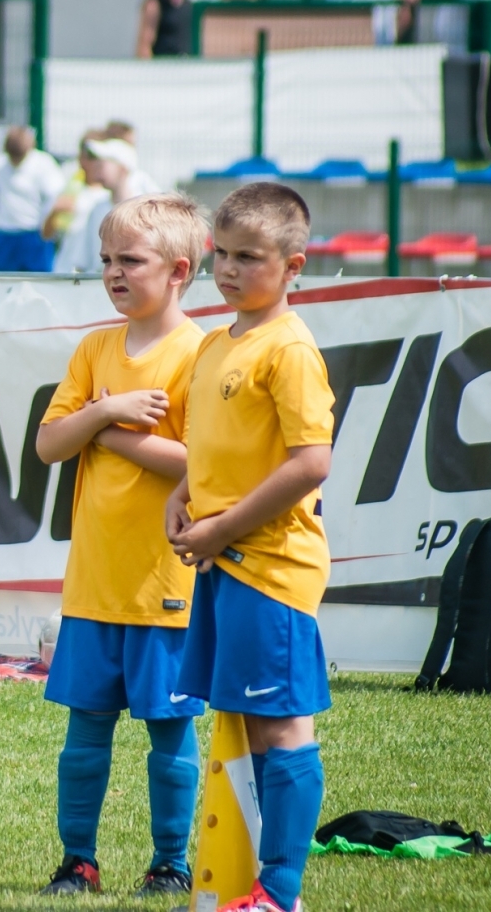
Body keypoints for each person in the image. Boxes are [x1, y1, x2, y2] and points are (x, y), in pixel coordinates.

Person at [33, 192, 209, 898]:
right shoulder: (95, 349)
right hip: (95, 584)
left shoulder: (200, 353)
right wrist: (105, 410)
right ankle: (78, 861)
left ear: (178, 270)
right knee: (85, 735)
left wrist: (107, 434)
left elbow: (206, 463)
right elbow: (50, 444)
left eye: (129, 260)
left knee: (170, 732)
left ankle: (170, 862)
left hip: (165, 581)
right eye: (106, 259)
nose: (113, 271)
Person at [167, 183, 334, 912]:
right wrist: (184, 495)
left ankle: (281, 891)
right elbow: (207, 447)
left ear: (293, 265)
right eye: (221, 256)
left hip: (270, 566)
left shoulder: (291, 349)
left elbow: (310, 463)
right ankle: (261, 883)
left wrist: (223, 527)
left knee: (280, 722)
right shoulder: (214, 342)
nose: (230, 271)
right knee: (249, 720)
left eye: (250, 258)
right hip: (224, 561)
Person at [0, 126, 64, 271]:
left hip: (35, 237)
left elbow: (56, 201)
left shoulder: (44, 164)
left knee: (40, 288)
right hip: (3, 236)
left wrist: (49, 231)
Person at [49, 137, 135, 274]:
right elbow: (83, 261)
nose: (98, 167)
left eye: (105, 163)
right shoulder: (97, 209)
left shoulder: (143, 211)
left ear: (123, 168)